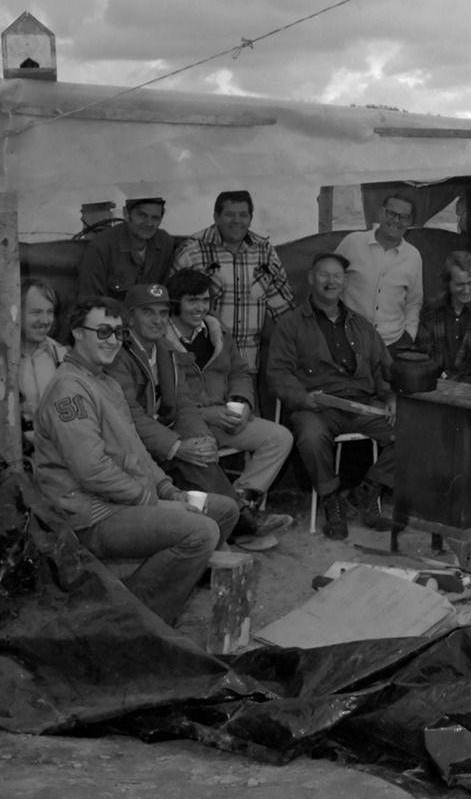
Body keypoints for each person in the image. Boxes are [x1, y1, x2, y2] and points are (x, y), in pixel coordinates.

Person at [32, 296, 239, 626]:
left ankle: (159, 589)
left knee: (225, 509)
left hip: (123, 502)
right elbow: (92, 471)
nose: (113, 341)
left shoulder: (107, 382)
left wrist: (169, 492)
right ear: (76, 332)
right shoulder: (69, 389)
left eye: (118, 333)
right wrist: (154, 503)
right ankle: (133, 622)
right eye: (102, 331)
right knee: (201, 531)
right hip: (91, 515)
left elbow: (139, 453)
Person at [106, 283, 280, 545]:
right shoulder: (119, 354)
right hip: (128, 443)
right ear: (129, 317)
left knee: (200, 451)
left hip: (160, 433)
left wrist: (200, 437)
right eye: (148, 312)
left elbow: (183, 402)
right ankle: (237, 521)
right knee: (190, 457)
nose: (157, 320)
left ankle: (232, 522)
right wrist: (177, 446)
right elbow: (130, 417)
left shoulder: (165, 349)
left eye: (163, 313)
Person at [267, 251, 396, 540]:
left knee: (412, 432)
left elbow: (383, 370)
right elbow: (279, 373)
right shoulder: (291, 324)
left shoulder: (362, 325)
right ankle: (331, 498)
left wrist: (390, 398)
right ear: (311, 278)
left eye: (337, 276)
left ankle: (367, 492)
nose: (331, 281)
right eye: (324, 275)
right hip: (316, 407)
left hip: (363, 405)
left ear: (345, 283)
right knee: (311, 437)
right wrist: (303, 399)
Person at [164, 268, 294, 550]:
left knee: (279, 437)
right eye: (192, 301)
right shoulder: (160, 341)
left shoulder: (216, 330)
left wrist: (243, 403)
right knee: (203, 446)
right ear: (175, 303)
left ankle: (240, 506)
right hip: (187, 424)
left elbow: (240, 372)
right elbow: (163, 397)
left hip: (225, 416)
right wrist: (203, 413)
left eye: (205, 300)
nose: (200, 307)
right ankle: (242, 521)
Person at [170, 190, 294, 374]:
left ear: (251, 218)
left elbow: (284, 311)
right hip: (203, 367)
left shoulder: (265, 251)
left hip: (248, 366)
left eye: (243, 215)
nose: (237, 221)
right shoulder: (192, 252)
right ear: (216, 216)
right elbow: (172, 311)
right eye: (229, 214)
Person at [334, 193, 423, 349]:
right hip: (348, 340)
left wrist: (409, 335)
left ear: (409, 222)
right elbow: (330, 282)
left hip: (392, 344)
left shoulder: (413, 256)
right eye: (391, 213)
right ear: (381, 213)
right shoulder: (352, 243)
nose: (396, 220)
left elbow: (414, 302)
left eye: (403, 217)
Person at [77, 197, 174, 300]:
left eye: (155, 218)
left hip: (152, 314)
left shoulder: (165, 243)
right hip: (113, 315)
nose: (149, 223)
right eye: (142, 215)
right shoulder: (100, 248)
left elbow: (164, 294)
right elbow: (89, 302)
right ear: (126, 214)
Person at [415, 251, 471, 385]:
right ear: (447, 283)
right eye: (460, 284)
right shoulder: (431, 311)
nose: (466, 290)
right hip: (436, 387)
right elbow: (424, 356)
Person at [19, 278, 68, 451]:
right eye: (36, 312)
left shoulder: (60, 355)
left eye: (50, 312)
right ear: (16, 311)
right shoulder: (5, 359)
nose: (45, 320)